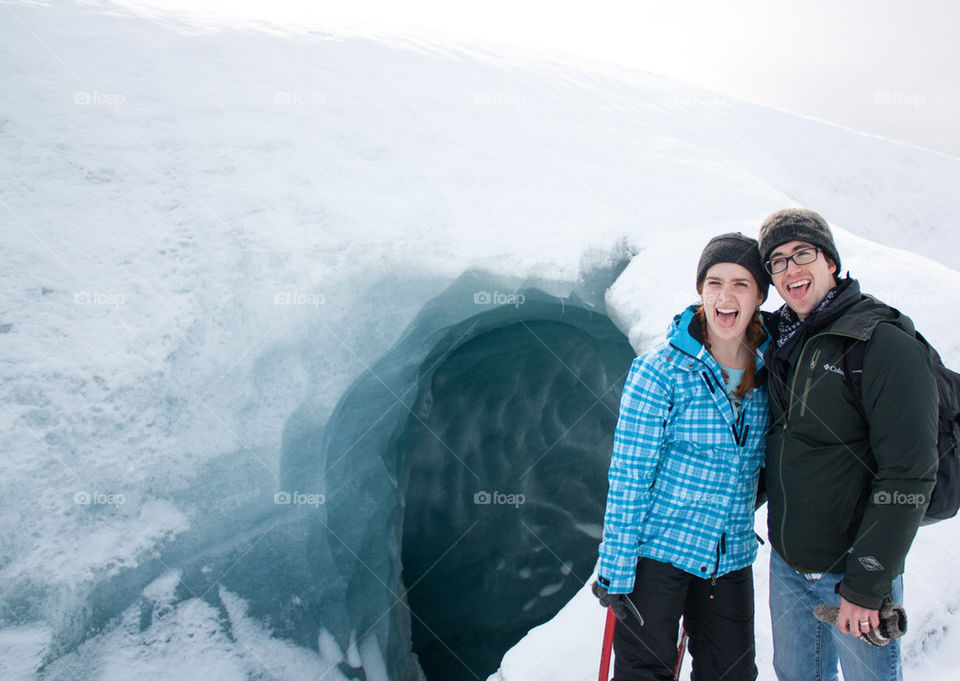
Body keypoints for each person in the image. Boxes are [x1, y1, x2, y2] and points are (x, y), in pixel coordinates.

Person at [758, 208, 938, 681]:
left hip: (853, 575)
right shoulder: (783, 340)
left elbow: (911, 472)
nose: (792, 269)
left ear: (831, 262)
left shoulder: (881, 342)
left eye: (803, 253)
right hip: (788, 567)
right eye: (777, 261)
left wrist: (868, 582)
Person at [593, 233, 771, 681]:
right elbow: (630, 472)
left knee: (731, 674)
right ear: (700, 291)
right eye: (714, 282)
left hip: (728, 559)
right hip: (658, 555)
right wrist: (616, 566)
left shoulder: (772, 370)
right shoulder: (662, 370)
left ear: (761, 295)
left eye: (741, 284)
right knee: (644, 673)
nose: (725, 296)